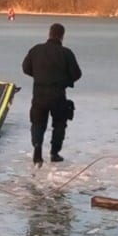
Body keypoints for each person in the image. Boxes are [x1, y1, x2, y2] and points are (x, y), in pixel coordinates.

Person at [22, 23, 82, 166]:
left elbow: (25, 68)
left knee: (38, 123)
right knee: (59, 124)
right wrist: (66, 81)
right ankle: (54, 153)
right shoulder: (66, 53)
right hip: (58, 95)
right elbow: (77, 74)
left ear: (49, 34)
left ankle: (37, 147)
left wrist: (38, 76)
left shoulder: (36, 50)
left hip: (39, 94)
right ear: (62, 36)